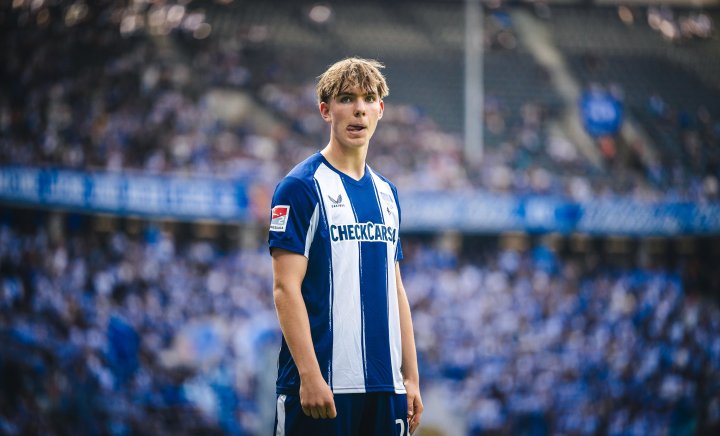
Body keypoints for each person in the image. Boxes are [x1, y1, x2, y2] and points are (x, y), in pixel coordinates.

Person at [268, 57, 423, 435]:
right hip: (323, 388)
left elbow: (396, 288)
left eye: (368, 99)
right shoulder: (300, 187)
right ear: (325, 110)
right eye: (346, 98)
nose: (358, 109)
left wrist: (411, 377)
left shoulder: (387, 193)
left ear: (380, 110)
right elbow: (285, 288)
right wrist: (309, 375)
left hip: (385, 389)